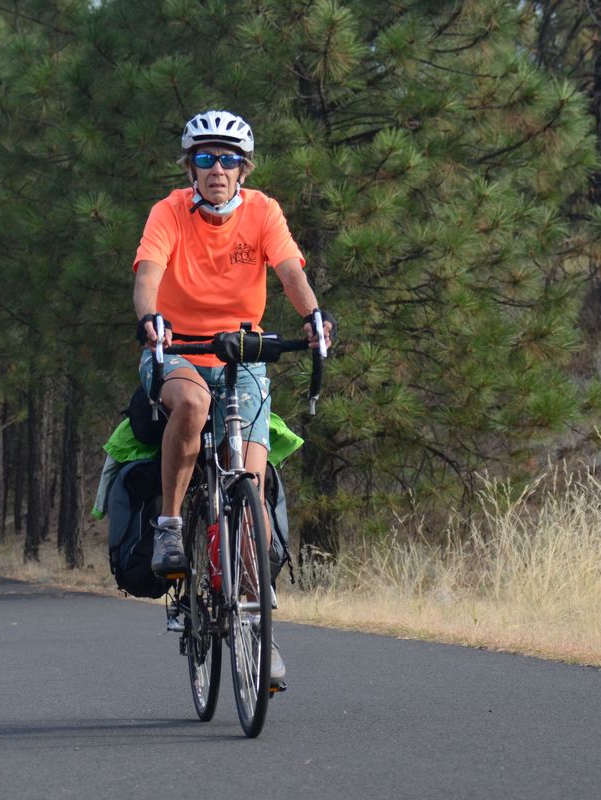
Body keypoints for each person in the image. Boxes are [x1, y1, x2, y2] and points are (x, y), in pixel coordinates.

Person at [133, 110, 333, 687]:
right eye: (203, 158)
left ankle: (258, 629)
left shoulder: (263, 211)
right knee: (191, 408)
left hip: (242, 354)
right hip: (176, 349)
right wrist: (152, 319)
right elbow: (148, 273)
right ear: (189, 167)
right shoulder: (169, 212)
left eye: (226, 160)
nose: (215, 169)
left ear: (243, 168)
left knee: (253, 483)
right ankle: (171, 526)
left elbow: (291, 272)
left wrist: (313, 317)